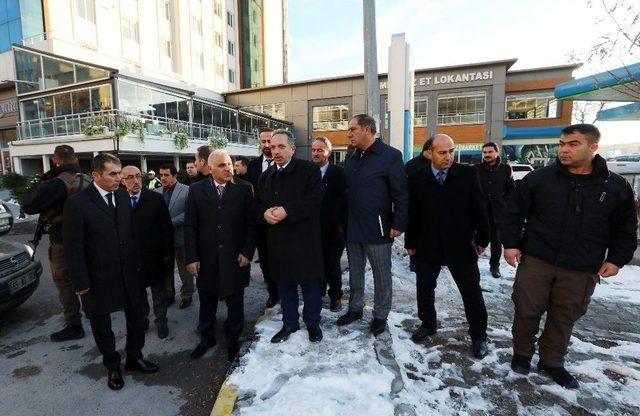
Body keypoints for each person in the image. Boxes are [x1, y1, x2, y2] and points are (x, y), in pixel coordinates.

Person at [502, 124, 638, 389]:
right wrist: (511, 244)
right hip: (537, 259)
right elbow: (513, 213)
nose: (564, 149)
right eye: (562, 143)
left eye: (573, 144)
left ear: (593, 147)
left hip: (582, 267)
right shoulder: (539, 178)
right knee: (526, 310)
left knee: (564, 316)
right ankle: (522, 355)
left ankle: (552, 362)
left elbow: (625, 227)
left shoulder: (615, 186)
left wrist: (617, 259)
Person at [63, 153, 158, 391]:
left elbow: (131, 235)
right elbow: (73, 247)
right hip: (97, 278)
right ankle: (112, 366)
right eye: (113, 174)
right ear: (96, 175)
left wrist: (140, 267)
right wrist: (80, 282)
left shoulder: (124, 197)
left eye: (119, 173)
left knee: (137, 318)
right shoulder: (77, 203)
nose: (119, 178)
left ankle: (134, 357)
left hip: (129, 273)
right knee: (102, 326)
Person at [405, 134, 490, 359]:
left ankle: (479, 335)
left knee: (471, 292)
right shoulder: (417, 177)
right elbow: (414, 213)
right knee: (424, 288)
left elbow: (480, 208)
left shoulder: (468, 174)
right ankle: (428, 323)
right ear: (429, 154)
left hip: (460, 244)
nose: (449, 157)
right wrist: (411, 241)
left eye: (451, 151)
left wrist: (482, 239)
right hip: (427, 243)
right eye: (442, 152)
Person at [337, 114, 409, 336]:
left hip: (378, 227)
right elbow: (345, 192)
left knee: (381, 274)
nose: (348, 133)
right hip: (353, 226)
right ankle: (355, 308)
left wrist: (399, 223)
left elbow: (401, 193)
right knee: (355, 272)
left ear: (367, 130)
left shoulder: (390, 156)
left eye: (353, 129)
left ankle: (380, 315)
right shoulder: (352, 157)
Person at [185, 150, 256, 361]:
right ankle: (207, 338)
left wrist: (247, 252)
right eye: (222, 165)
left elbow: (251, 225)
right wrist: (191, 257)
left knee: (236, 300)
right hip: (206, 258)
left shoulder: (244, 189)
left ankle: (233, 338)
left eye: (229, 164)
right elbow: (190, 226)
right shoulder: (196, 190)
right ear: (210, 169)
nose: (228, 168)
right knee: (207, 300)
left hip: (236, 257)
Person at [256, 129, 324, 343]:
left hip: (305, 242)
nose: (275, 150)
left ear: (292, 149)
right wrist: (264, 213)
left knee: (310, 286)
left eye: (280, 146)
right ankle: (290, 324)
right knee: (285, 286)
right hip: (278, 242)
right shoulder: (266, 176)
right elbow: (258, 204)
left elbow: (315, 199)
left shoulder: (309, 170)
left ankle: (312, 323)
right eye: (272, 147)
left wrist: (287, 210)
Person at [23, 145, 90, 342]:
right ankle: (93, 311)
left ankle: (74, 325)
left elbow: (29, 206)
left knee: (64, 281)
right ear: (75, 158)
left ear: (55, 160)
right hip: (87, 236)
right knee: (86, 275)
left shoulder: (57, 183)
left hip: (62, 239)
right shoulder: (86, 179)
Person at [121, 165, 174, 339]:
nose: (135, 181)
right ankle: (143, 320)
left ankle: (161, 322)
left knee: (159, 292)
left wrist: (167, 254)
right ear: (122, 180)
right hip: (132, 259)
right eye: (129, 177)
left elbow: (166, 228)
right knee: (138, 293)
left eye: (137, 176)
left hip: (155, 256)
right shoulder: (118, 201)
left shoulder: (154, 199)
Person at [311, 136, 347, 312]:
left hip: (334, 230)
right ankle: (318, 294)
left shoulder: (339, 173)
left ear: (329, 153)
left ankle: (335, 297)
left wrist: (341, 225)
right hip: (313, 229)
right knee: (316, 263)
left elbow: (345, 200)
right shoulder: (308, 172)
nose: (316, 153)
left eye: (320, 150)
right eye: (314, 150)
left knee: (332, 264)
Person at [247, 127, 279, 308]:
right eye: (263, 142)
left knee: (283, 260)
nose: (267, 145)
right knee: (265, 262)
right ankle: (273, 294)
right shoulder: (253, 166)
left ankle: (285, 292)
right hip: (261, 223)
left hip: (281, 222)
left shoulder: (286, 163)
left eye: (270, 141)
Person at [154, 164, 193, 309]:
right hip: (163, 241)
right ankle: (169, 294)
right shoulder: (156, 192)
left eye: (166, 175)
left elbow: (189, 213)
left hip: (180, 237)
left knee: (185, 270)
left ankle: (187, 295)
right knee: (166, 270)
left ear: (175, 175)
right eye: (161, 175)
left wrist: (168, 223)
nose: (163, 178)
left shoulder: (187, 190)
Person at [474, 142, 515, 278]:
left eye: (490, 152)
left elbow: (511, 190)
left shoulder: (506, 169)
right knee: (476, 239)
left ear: (496, 153)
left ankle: (494, 266)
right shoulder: (476, 169)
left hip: (498, 211)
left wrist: (505, 203)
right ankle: (472, 265)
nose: (487, 155)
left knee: (496, 241)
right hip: (480, 211)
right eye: (484, 152)